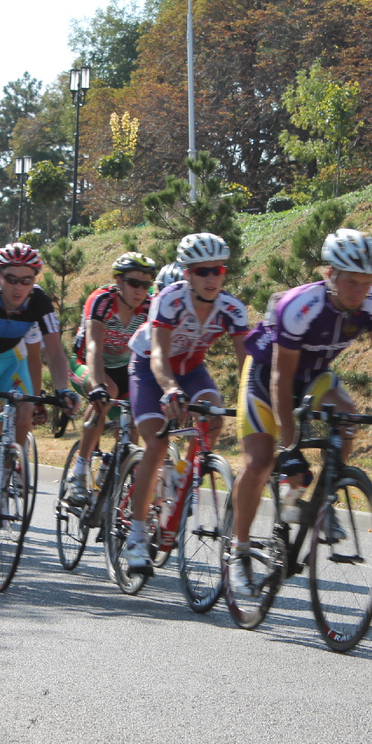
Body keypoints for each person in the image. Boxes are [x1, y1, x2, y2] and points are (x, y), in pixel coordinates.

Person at [227, 229, 372, 596]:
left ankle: (323, 496)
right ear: (330, 274)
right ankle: (240, 551)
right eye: (351, 281)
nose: (360, 290)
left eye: (367, 282)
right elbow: (281, 381)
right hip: (267, 378)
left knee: (346, 415)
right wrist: (290, 448)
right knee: (259, 462)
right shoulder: (301, 305)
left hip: (313, 376)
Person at [123, 233, 249, 575]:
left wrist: (257, 402)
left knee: (215, 411)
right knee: (157, 443)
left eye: (218, 270)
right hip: (151, 368)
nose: (211, 278)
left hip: (192, 368)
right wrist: (169, 390)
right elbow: (159, 355)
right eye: (202, 271)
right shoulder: (170, 299)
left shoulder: (232, 309)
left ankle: (183, 475)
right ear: (188, 274)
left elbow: (247, 366)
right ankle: (135, 536)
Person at [0, 242, 80, 531]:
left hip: (10, 361)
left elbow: (54, 353)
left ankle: (3, 481)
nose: (18, 287)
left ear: (34, 281)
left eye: (27, 280)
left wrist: (63, 389)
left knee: (25, 412)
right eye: (10, 279)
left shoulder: (41, 302)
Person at [64, 252, 157, 504]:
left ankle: (114, 478)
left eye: (146, 284)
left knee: (133, 427)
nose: (140, 290)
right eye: (133, 283)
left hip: (124, 368)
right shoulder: (102, 300)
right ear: (118, 281)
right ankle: (79, 472)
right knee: (107, 394)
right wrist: (96, 386)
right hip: (86, 362)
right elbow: (93, 345)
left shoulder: (150, 307)